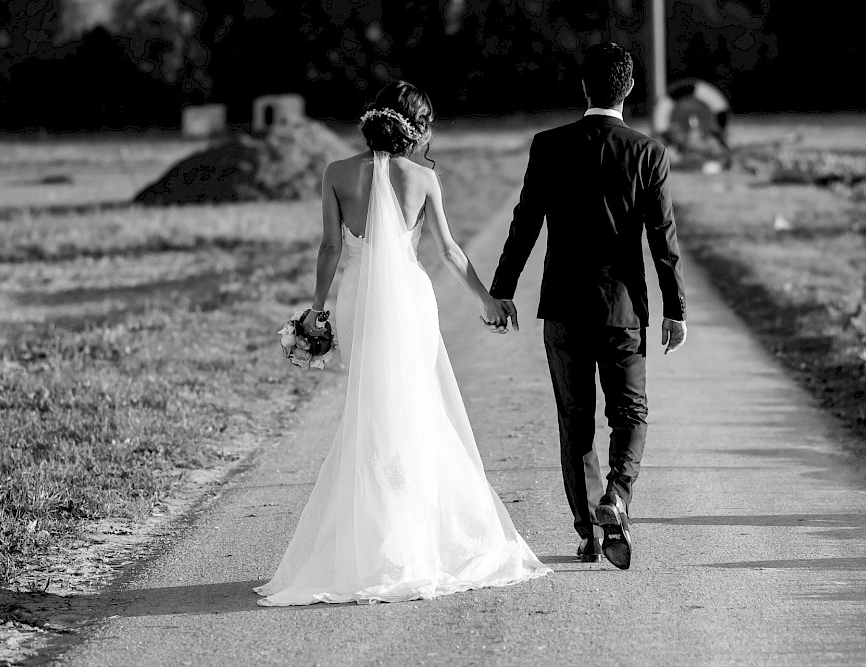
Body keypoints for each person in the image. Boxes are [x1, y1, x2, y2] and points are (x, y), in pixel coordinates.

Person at [255, 81, 550, 606]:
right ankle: (418, 539)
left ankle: (374, 542)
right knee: (416, 413)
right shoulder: (423, 179)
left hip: (359, 304)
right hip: (410, 305)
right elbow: (450, 252)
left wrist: (316, 310)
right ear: (416, 128)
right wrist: (486, 299)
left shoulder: (337, 174)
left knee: (372, 414)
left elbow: (329, 246)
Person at [488, 42, 688, 570]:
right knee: (631, 414)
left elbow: (525, 223)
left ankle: (589, 533)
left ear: (584, 89)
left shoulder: (548, 145)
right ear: (628, 91)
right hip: (623, 311)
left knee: (575, 421)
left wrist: (502, 289)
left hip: (563, 310)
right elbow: (663, 238)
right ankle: (617, 499)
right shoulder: (648, 153)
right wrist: (676, 307)